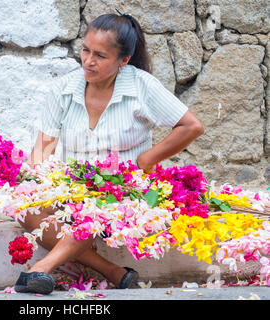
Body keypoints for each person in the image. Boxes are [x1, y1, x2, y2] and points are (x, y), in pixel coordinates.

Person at [14, 13, 204, 294]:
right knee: (24, 210)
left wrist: (147, 160)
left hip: (123, 191)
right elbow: (45, 145)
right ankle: (112, 271)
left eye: (100, 56)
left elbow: (191, 126)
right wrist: (32, 183)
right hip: (72, 189)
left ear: (123, 60)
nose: (88, 61)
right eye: (85, 50)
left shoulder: (141, 86)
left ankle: (41, 270)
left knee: (97, 209)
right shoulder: (64, 89)